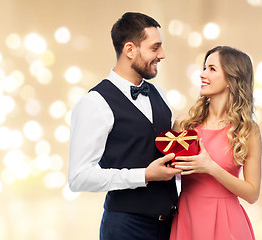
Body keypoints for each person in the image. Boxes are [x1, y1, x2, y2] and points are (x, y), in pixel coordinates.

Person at [68, 12, 182, 240]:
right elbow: (78, 178)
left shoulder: (159, 94)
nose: (162, 55)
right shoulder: (95, 103)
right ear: (130, 50)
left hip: (171, 226)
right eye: (155, 47)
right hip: (126, 228)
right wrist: (144, 175)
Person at [169, 46, 262, 240]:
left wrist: (211, 167)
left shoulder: (248, 131)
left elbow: (252, 194)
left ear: (231, 78)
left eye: (211, 69)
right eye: (204, 68)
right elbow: (175, 174)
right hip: (188, 220)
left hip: (228, 225)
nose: (202, 74)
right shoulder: (184, 124)